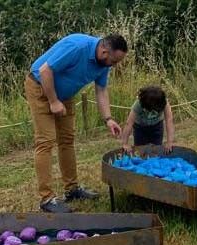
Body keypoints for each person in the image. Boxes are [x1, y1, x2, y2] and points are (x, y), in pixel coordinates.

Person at [25, 33, 127, 213]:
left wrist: (108, 119)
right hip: (41, 88)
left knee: (67, 140)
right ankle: (46, 199)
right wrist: (54, 101)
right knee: (45, 141)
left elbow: (101, 90)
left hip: (65, 95)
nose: (114, 65)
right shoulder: (77, 47)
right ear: (104, 51)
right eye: (114, 61)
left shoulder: (104, 63)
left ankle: (72, 190)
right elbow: (44, 71)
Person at [120, 85, 175, 155]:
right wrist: (124, 143)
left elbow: (169, 120)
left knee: (156, 151)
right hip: (140, 128)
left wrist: (170, 141)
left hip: (157, 126)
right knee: (140, 151)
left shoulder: (164, 103)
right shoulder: (138, 104)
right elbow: (129, 123)